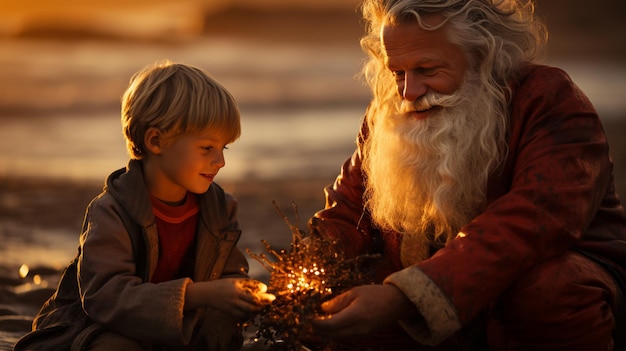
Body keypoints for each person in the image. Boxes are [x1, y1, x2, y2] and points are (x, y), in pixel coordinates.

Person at [308, 0, 626, 350]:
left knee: (547, 288)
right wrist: (308, 271)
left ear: (483, 56)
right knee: (339, 289)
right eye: (397, 72)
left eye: (427, 69)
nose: (408, 92)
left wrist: (406, 296)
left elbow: (534, 219)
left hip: (555, 286)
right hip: (439, 297)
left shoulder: (549, 99)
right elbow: (348, 210)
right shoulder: (390, 110)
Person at [13, 60, 274, 351]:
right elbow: (105, 298)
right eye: (206, 148)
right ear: (155, 140)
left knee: (225, 335)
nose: (220, 161)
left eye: (223, 148)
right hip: (94, 328)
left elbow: (230, 277)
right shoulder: (112, 211)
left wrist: (246, 297)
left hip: (181, 328)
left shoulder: (220, 208)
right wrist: (201, 294)